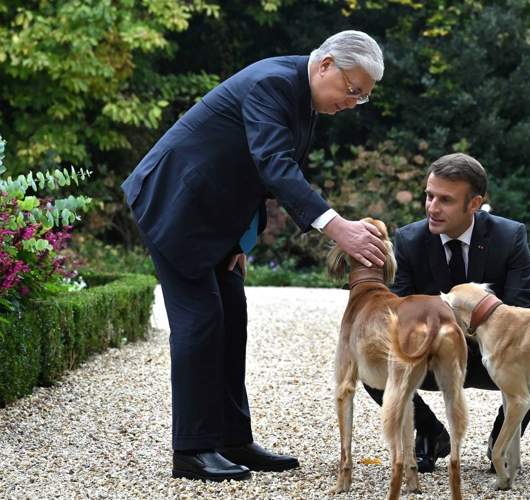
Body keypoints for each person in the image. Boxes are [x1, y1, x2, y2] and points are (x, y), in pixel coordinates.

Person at [121, 31, 387, 482]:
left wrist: (240, 242)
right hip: (174, 203)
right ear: (325, 65)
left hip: (214, 217)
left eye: (361, 98)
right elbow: (274, 166)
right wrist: (337, 227)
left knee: (233, 315)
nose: (352, 102)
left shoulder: (305, 100)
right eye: (352, 90)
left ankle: (231, 439)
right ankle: (192, 449)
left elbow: (257, 176)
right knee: (200, 320)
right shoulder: (273, 84)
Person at [363, 153, 530, 473]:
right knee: (373, 362)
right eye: (429, 195)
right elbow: (398, 311)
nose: (432, 207)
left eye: (445, 200)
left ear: (474, 203)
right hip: (431, 356)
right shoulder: (409, 239)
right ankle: (430, 433)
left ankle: (500, 442)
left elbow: (523, 309)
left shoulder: (510, 236)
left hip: (489, 355)